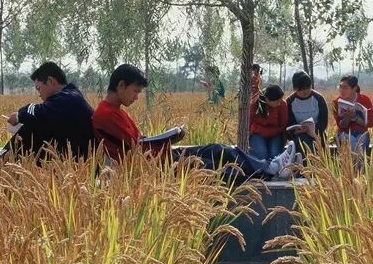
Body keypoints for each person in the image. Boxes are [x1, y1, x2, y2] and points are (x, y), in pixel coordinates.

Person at [95, 63, 299, 182]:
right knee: (213, 167)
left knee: (219, 149)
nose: (136, 97)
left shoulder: (115, 112)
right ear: (121, 86)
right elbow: (136, 149)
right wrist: (169, 138)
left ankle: (270, 167)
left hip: (163, 156)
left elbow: (138, 142)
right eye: (135, 91)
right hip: (157, 167)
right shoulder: (106, 115)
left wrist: (170, 137)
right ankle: (270, 173)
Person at [4, 61, 94, 162]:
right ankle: (5, 160)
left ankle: (2, 162)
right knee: (37, 124)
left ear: (51, 81)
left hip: (78, 162)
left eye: (39, 88)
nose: (39, 94)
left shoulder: (68, 98)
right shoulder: (70, 95)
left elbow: (37, 111)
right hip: (72, 158)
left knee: (31, 127)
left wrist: (18, 116)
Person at [286, 70, 329, 153]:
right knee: (303, 141)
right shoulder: (290, 101)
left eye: (307, 88)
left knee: (314, 142)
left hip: (317, 133)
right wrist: (297, 130)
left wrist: (313, 130)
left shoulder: (319, 99)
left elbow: (323, 122)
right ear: (295, 88)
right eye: (301, 89)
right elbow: (289, 124)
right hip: (298, 135)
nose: (305, 92)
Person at [333, 75, 373, 155]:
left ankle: (356, 166)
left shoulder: (364, 99)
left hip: (361, 132)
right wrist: (347, 117)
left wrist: (355, 117)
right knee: (352, 142)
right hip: (344, 132)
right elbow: (341, 126)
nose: (341, 90)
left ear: (354, 88)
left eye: (345, 88)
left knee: (360, 143)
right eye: (340, 87)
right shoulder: (336, 102)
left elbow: (370, 123)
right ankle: (360, 166)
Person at [249, 84, 288, 161]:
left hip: (275, 134)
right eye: (277, 102)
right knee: (261, 154)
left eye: (281, 100)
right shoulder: (255, 104)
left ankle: (274, 172)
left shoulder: (282, 105)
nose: (279, 103)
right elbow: (249, 123)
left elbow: (283, 125)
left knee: (275, 154)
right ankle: (260, 172)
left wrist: (283, 141)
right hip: (257, 134)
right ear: (268, 100)